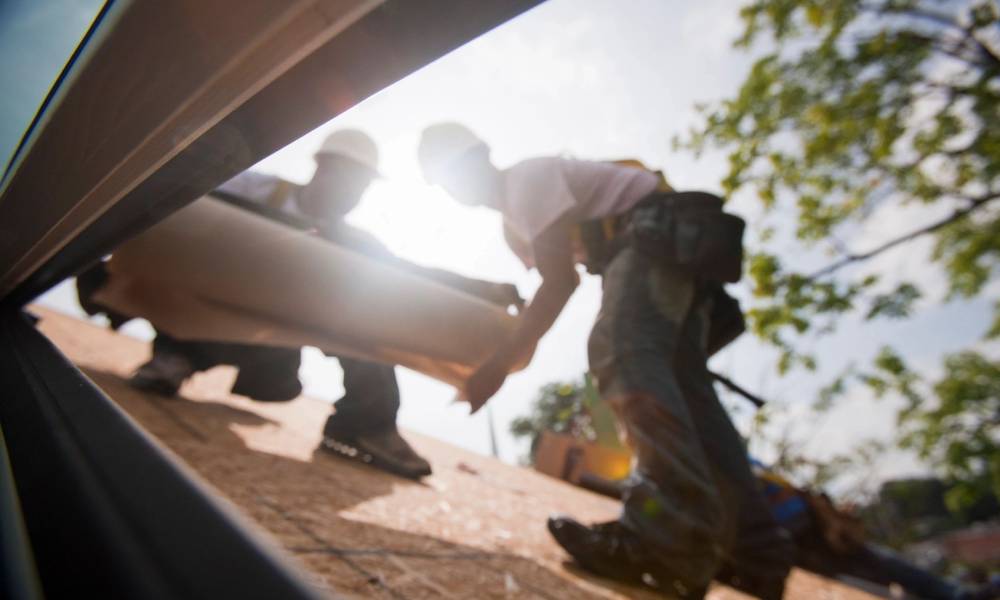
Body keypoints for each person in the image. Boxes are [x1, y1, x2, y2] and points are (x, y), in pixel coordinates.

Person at [416, 123, 793, 598]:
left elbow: (558, 284)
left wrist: (499, 363)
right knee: (690, 396)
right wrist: (512, 351)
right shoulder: (514, 223)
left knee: (624, 351)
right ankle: (757, 555)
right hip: (676, 248)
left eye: (460, 166)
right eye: (446, 176)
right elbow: (556, 281)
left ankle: (667, 540)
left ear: (485, 153)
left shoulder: (525, 183)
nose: (457, 182)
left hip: (652, 235)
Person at [78, 129, 522, 481]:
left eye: (362, 186)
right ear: (322, 167)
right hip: (198, 315)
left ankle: (365, 422)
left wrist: (483, 290)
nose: (353, 193)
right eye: (349, 179)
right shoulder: (252, 191)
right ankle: (175, 356)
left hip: (268, 345)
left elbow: (410, 277)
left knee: (370, 300)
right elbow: (172, 214)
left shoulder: (351, 243)